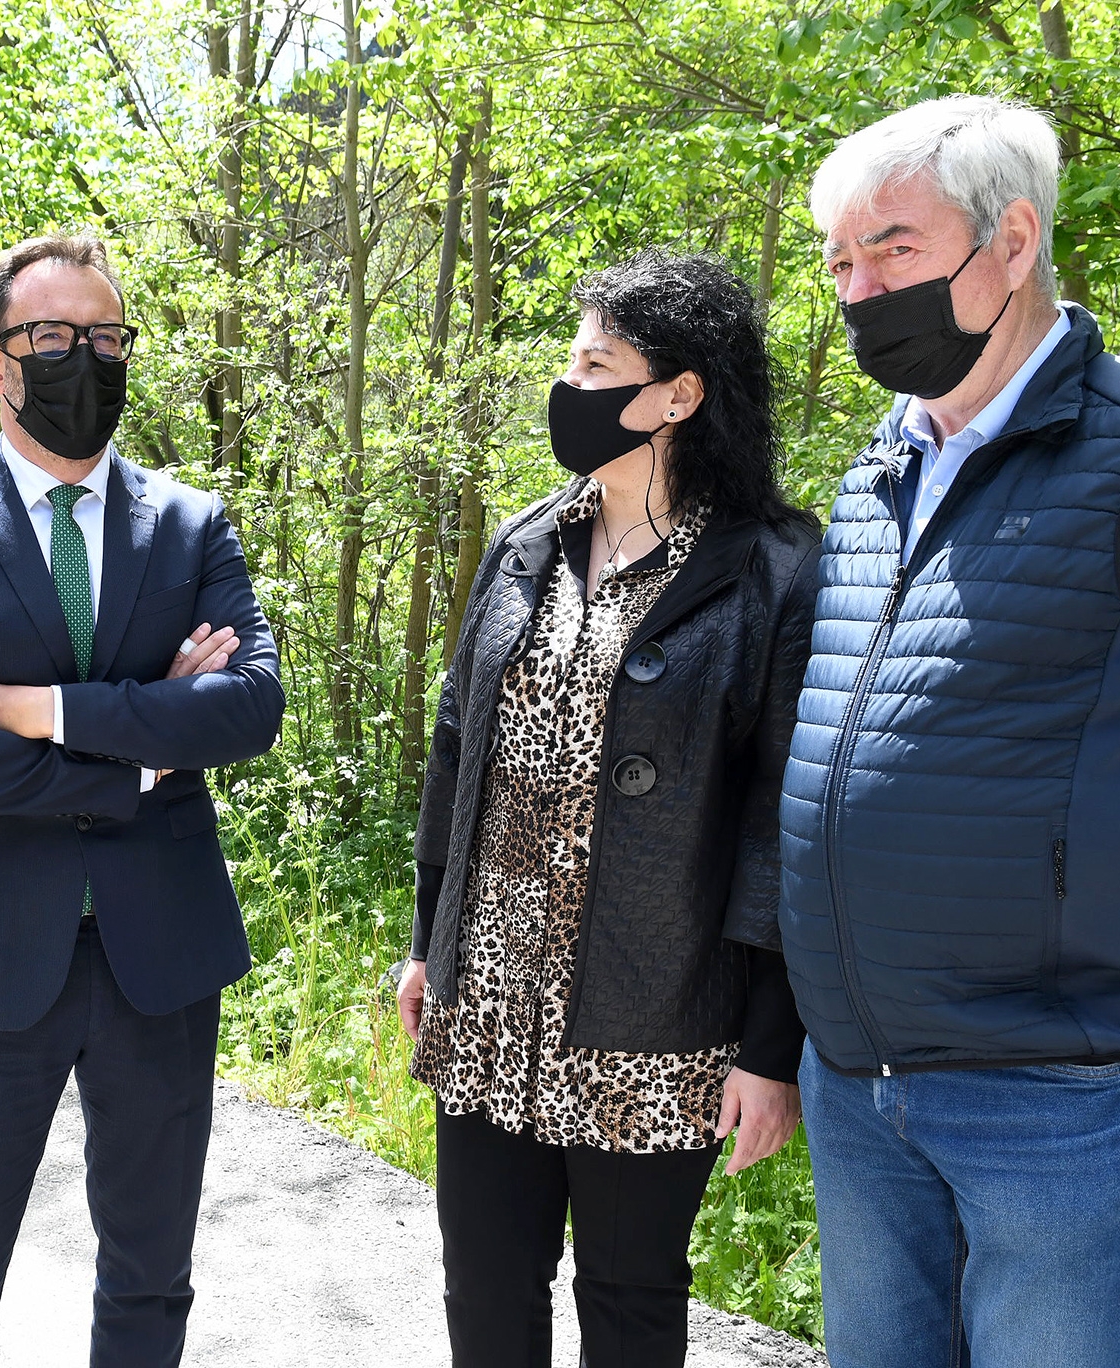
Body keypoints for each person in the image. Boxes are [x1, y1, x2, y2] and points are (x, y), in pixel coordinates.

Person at [780, 95, 1120, 1365]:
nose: (860, 291)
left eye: (895, 250)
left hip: (1063, 1094)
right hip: (862, 1084)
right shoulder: (877, 473)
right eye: (840, 264)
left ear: (1010, 243)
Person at [396, 249, 819, 1368]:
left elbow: (786, 820)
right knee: (482, 1286)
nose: (567, 385)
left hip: (656, 1015)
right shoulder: (526, 540)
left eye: (596, 363)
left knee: (630, 1301)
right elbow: (456, 752)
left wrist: (770, 1049)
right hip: (486, 998)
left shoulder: (775, 571)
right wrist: (425, 945)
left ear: (676, 395)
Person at [0, 233, 284, 1368]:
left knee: (150, 1281)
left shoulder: (192, 525)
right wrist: (152, 737)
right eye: (52, 338)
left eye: (104, 338)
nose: (83, 360)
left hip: (160, 954)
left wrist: (45, 711)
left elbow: (248, 709)